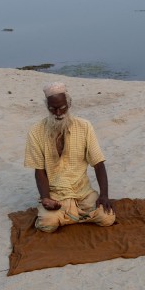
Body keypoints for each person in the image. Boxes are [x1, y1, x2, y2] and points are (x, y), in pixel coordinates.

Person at [23, 82, 115, 233]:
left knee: (107, 218)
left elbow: (98, 163)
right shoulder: (36, 131)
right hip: (56, 196)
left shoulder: (85, 126)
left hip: (83, 192)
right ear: (47, 107)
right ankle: (70, 215)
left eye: (62, 108)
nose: (59, 113)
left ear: (69, 104)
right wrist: (46, 198)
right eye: (53, 109)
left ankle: (69, 216)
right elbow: (39, 171)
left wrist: (104, 195)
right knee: (47, 224)